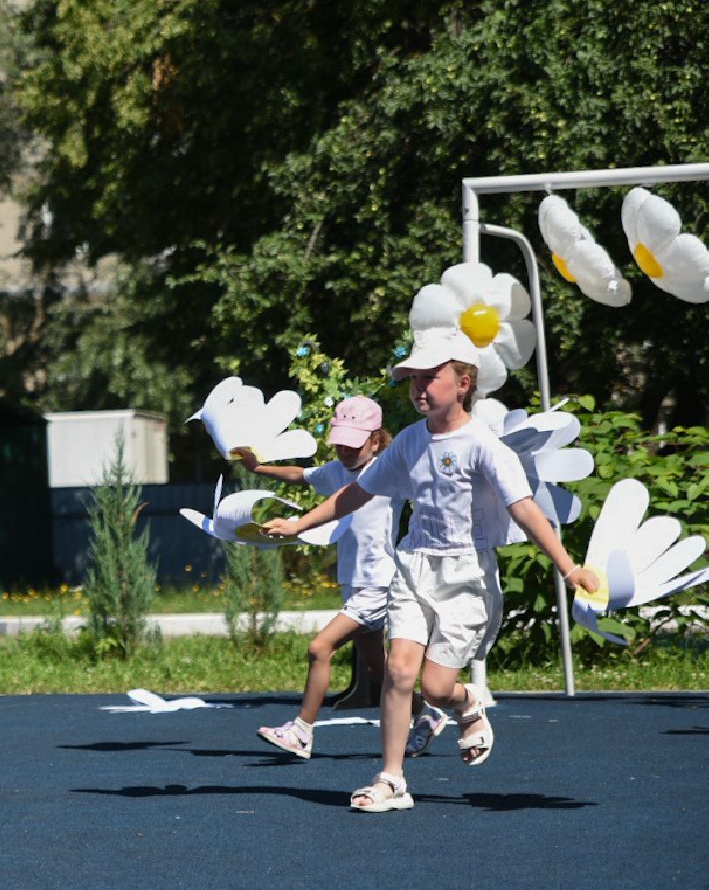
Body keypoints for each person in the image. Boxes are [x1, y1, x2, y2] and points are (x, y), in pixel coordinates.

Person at [261, 327, 599, 812]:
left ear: (463, 382)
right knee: (399, 671)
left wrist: (568, 569)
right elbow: (356, 492)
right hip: (413, 565)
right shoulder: (408, 443)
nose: (419, 387)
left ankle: (465, 704)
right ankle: (391, 780)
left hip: (466, 575)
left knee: (436, 688)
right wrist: (299, 523)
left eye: (430, 376)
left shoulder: (483, 444)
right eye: (412, 378)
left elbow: (524, 508)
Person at [234, 396, 395, 759]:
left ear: (376, 440)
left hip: (379, 581)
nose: (345, 451)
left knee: (320, 647)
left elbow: (339, 500)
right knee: (376, 669)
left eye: (353, 444)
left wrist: (295, 526)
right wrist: (258, 468)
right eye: (340, 442)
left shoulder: (386, 471)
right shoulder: (338, 468)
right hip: (353, 580)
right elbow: (303, 475)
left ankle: (302, 731)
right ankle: (427, 715)